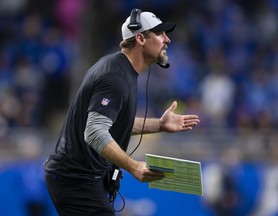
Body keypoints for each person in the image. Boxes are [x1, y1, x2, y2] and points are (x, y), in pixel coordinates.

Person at [44, 9, 200, 216]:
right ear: (140, 38)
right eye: (160, 33)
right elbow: (94, 131)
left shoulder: (122, 71)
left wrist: (159, 125)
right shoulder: (115, 77)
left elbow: (112, 123)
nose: (167, 39)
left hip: (79, 178)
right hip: (76, 179)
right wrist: (133, 166)